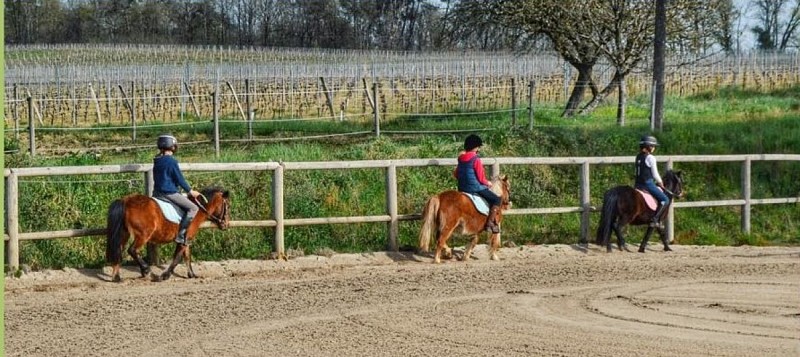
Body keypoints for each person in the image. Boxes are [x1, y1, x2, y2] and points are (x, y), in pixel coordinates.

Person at [153, 134, 200, 245]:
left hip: (157, 193)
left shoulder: (157, 160)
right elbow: (179, 179)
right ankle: (181, 235)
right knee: (193, 208)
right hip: (169, 193)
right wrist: (190, 191)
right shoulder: (172, 161)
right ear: (172, 146)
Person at [454, 134, 502, 233]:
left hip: (462, 188)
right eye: (478, 146)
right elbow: (481, 178)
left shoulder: (461, 159)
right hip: (475, 188)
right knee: (496, 199)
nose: (479, 149)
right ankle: (490, 223)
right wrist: (488, 183)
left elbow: (456, 174)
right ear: (475, 147)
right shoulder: (476, 159)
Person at [634, 135, 670, 228]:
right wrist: (660, 182)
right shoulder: (650, 158)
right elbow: (655, 174)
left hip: (638, 184)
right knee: (665, 200)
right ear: (649, 146)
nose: (654, 148)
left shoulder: (638, 157)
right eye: (653, 146)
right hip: (647, 184)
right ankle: (655, 220)